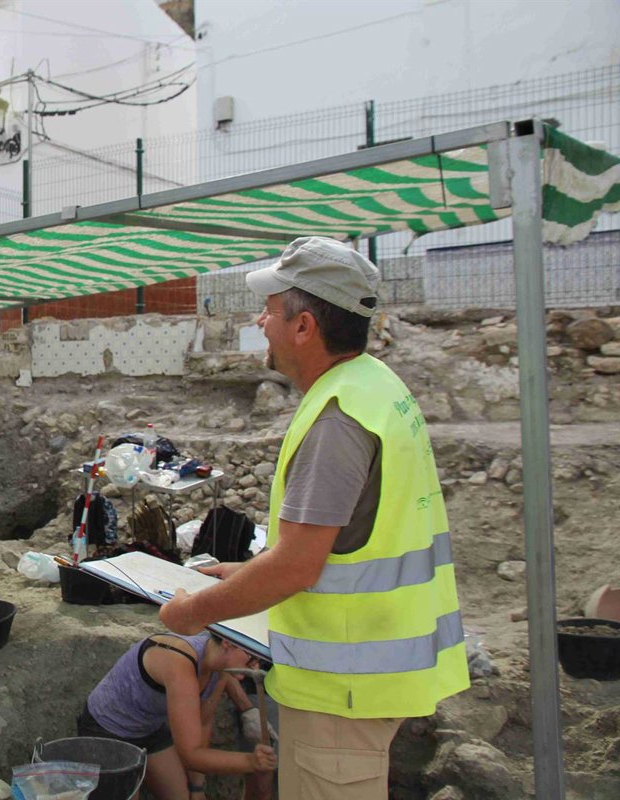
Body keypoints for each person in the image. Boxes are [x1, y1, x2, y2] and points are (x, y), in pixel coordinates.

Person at [159, 237, 470, 800]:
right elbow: (345, 547)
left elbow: (297, 567)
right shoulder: (375, 385)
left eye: (270, 310)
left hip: (342, 691)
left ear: (303, 326)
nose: (260, 322)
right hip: (372, 670)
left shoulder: (337, 420)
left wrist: (191, 612)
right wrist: (245, 574)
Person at [80, 631, 277, 800]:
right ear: (228, 643)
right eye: (251, 658)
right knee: (128, 794)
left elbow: (203, 723)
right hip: (107, 727)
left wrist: (197, 788)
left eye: (258, 660)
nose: (255, 667)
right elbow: (191, 755)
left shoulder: (220, 668)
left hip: (150, 729)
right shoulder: (179, 661)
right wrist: (252, 762)